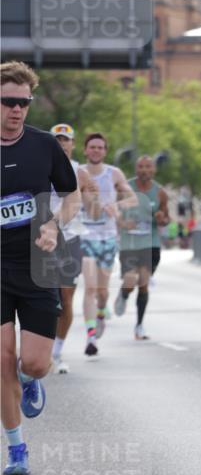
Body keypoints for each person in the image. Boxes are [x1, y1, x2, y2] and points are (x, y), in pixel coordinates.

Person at [1, 62, 80, 475]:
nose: (17, 110)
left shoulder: (44, 145)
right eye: (8, 102)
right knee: (2, 358)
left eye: (24, 103)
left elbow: (71, 195)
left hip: (37, 262)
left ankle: (30, 380)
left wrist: (53, 224)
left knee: (33, 363)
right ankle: (16, 449)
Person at [79, 132, 135, 356]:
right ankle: (91, 337)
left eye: (100, 147)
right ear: (85, 150)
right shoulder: (78, 173)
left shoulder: (114, 174)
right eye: (92, 147)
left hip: (108, 238)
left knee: (102, 291)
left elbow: (133, 198)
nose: (96, 150)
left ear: (105, 151)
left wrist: (118, 206)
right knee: (90, 287)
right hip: (85, 236)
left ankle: (101, 311)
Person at [49, 123, 98, 373]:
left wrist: (92, 197)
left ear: (72, 144)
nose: (61, 143)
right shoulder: (39, 165)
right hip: (44, 238)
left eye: (65, 140)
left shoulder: (79, 171)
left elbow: (91, 207)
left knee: (65, 297)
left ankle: (57, 352)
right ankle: (41, 346)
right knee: (45, 297)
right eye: (57, 139)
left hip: (71, 238)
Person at [114, 155, 169, 340]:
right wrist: (123, 222)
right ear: (136, 169)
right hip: (129, 243)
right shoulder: (125, 189)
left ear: (153, 170)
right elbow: (113, 213)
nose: (144, 170)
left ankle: (139, 326)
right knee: (131, 280)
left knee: (143, 283)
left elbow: (166, 218)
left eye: (148, 167)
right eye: (141, 167)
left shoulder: (160, 192)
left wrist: (162, 219)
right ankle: (124, 293)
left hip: (150, 244)